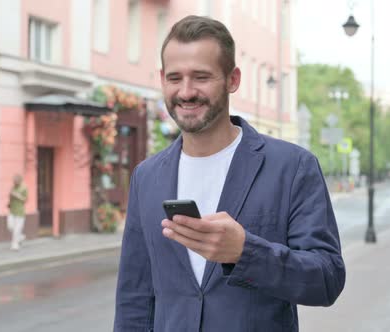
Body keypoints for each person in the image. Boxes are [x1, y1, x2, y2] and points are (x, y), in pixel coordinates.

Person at [114, 16, 345, 331]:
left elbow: (327, 279)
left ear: (233, 79)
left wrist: (245, 252)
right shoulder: (147, 176)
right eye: (174, 78)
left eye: (201, 77)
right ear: (162, 79)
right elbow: (135, 298)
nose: (186, 91)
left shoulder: (292, 167)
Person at [7, 174, 28, 250]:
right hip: (12, 210)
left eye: (15, 181)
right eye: (13, 181)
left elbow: (25, 200)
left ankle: (15, 245)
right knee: (10, 226)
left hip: (20, 212)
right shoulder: (13, 187)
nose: (14, 182)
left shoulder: (24, 188)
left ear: (19, 181)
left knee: (17, 230)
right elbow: (10, 197)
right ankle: (20, 236)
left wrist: (17, 195)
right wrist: (9, 200)